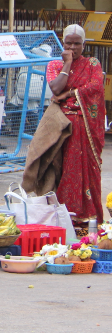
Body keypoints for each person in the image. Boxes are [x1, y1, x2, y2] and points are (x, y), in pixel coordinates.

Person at [44, 24, 106, 222]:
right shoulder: (55, 65)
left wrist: (69, 94)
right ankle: (65, 219)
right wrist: (68, 63)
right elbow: (55, 88)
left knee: (89, 174)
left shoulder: (93, 63)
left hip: (87, 129)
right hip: (62, 128)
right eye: (68, 43)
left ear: (84, 44)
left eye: (77, 44)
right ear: (63, 43)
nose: (72, 47)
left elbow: (95, 87)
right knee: (62, 172)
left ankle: (89, 218)